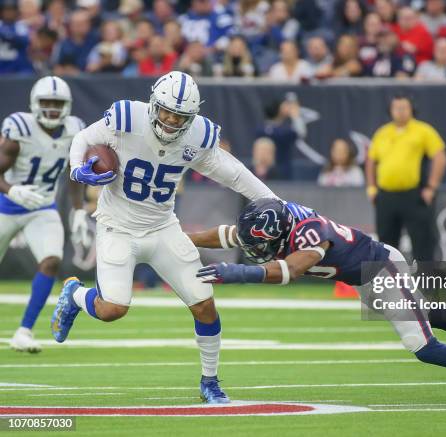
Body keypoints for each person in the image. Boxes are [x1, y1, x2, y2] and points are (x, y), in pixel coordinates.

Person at [50, 71, 277, 403]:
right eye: (166, 110)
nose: (171, 120)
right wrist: (75, 168)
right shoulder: (127, 118)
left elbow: (235, 174)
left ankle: (210, 382)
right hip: (117, 226)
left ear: (192, 116)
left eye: (180, 116)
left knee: (204, 305)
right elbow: (83, 137)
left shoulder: (198, 137)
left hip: (163, 227)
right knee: (113, 309)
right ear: (153, 103)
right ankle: (74, 296)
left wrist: (274, 202)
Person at [189, 198, 446, 405]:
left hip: (381, 269)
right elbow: (227, 234)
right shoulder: (277, 221)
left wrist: (236, 272)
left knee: (423, 345)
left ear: (282, 231)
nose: (256, 252)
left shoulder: (308, 232)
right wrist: (177, 238)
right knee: (427, 314)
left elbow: (292, 269)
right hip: (364, 276)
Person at [0, 76, 88, 352]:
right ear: (35, 104)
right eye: (46, 103)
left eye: (57, 103)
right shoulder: (19, 127)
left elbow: (74, 173)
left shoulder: (75, 130)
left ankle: (24, 331)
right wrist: (11, 190)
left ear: (68, 106)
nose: (51, 109)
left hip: (42, 207)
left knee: (51, 261)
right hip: (5, 205)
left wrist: (79, 210)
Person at [366, 95, 446, 262]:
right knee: (386, 246)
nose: (400, 111)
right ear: (390, 111)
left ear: (412, 109)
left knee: (422, 244)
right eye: (397, 108)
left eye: (404, 107)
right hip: (386, 196)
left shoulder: (423, 130)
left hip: (414, 195)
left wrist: (431, 187)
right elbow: (370, 161)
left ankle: (426, 287)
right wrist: (371, 188)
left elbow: (440, 157)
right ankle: (389, 286)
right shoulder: (382, 132)